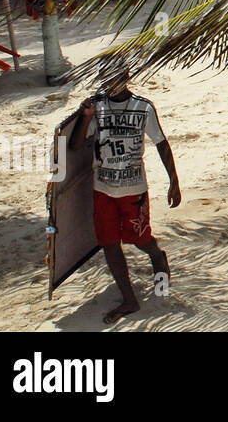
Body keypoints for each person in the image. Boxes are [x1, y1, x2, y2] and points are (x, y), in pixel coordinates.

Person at [71, 61, 180, 324]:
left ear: (126, 77)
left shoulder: (143, 107)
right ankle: (129, 299)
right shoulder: (97, 108)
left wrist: (174, 181)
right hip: (103, 190)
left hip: (134, 191)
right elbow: (75, 146)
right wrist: (85, 118)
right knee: (109, 243)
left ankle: (157, 255)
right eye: (104, 78)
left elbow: (161, 144)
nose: (108, 84)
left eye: (113, 78)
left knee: (140, 240)